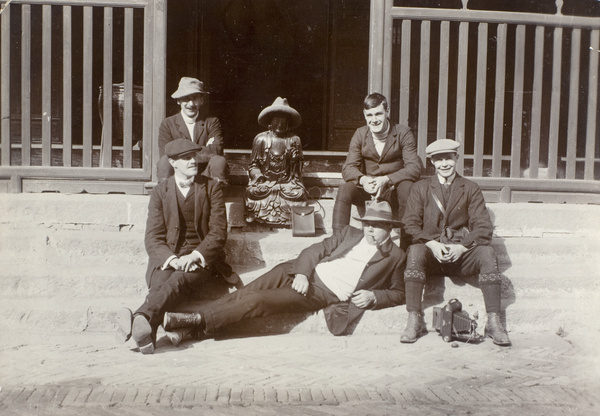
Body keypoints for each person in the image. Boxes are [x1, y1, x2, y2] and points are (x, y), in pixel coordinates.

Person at [161, 200, 406, 343]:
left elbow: (399, 293)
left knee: (258, 300)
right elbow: (315, 249)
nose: (370, 230)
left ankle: (194, 320)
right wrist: (301, 273)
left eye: (376, 226)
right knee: (249, 291)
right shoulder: (350, 234)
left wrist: (375, 297)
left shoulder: (395, 257)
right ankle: (190, 331)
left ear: (389, 228)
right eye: (368, 224)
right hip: (301, 271)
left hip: (321, 292)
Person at [116, 139, 240, 354]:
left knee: (179, 279)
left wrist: (194, 256)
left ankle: (141, 317)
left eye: (194, 156)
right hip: (169, 257)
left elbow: (218, 233)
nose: (194, 161)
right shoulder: (160, 192)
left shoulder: (212, 188)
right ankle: (146, 337)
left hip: (201, 261)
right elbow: (153, 237)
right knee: (159, 283)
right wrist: (172, 259)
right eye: (186, 158)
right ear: (172, 162)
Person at [400, 139, 511, 346]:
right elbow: (410, 225)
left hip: (461, 256)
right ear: (432, 162)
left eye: (448, 158)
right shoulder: (421, 188)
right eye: (438, 159)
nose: (444, 164)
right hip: (432, 255)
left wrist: (462, 247)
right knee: (415, 251)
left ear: (457, 159)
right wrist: (431, 243)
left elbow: (483, 228)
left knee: (487, 254)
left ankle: (493, 321)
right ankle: (414, 318)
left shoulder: (470, 188)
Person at [245, 97, 307, 224]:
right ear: (270, 122)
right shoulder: (261, 139)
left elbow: (298, 172)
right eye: (276, 120)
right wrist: (258, 176)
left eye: (284, 121)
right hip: (265, 183)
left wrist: (295, 161)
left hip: (287, 184)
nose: (280, 124)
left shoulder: (294, 140)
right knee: (251, 192)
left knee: (299, 193)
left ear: (288, 124)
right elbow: (253, 165)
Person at [157, 77, 229, 184]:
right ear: (178, 100)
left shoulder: (212, 122)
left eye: (195, 98)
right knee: (164, 162)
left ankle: (214, 198)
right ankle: (169, 197)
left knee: (219, 161)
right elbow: (166, 153)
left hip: (205, 174)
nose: (191, 104)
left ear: (201, 100)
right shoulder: (167, 124)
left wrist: (180, 151)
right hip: (179, 174)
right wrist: (204, 149)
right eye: (186, 99)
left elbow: (216, 150)